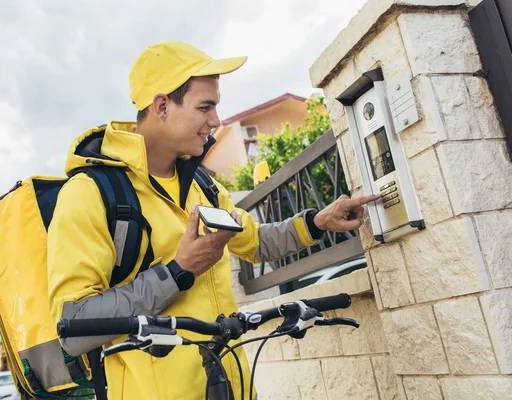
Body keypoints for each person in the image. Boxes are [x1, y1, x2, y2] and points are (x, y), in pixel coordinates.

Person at [47, 41, 380, 400]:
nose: (215, 120)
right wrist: (177, 272)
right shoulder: (89, 193)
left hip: (231, 384)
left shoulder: (203, 186)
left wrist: (318, 222)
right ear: (162, 106)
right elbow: (75, 326)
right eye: (205, 106)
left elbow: (256, 243)